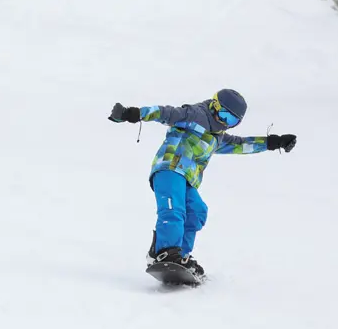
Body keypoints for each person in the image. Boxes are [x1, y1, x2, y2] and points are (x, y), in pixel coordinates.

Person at [109, 88, 297, 279]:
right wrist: (131, 113)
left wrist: (274, 142)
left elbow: (241, 144)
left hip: (188, 179)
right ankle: (164, 252)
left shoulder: (218, 137)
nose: (224, 122)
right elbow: (164, 113)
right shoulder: (194, 114)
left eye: (232, 120)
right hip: (170, 168)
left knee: (197, 211)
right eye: (223, 114)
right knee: (174, 210)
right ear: (214, 106)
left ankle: (180, 256)